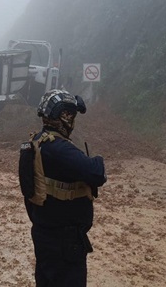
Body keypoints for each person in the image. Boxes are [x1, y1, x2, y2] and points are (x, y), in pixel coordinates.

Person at [23, 89, 107, 287]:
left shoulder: (37, 142)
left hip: (45, 232)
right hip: (64, 241)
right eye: (72, 115)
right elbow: (97, 173)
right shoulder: (59, 148)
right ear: (65, 117)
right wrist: (98, 159)